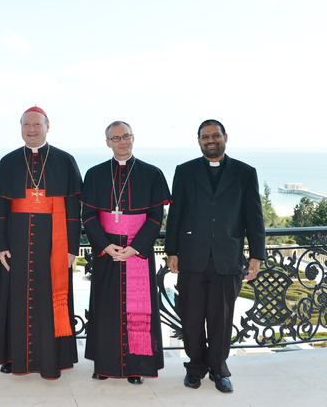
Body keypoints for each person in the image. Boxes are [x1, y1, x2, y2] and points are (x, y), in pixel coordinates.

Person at [165, 119, 265, 393]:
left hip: (228, 258)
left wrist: (257, 254)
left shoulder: (245, 172)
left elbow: (254, 216)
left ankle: (219, 370)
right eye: (205, 137)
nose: (210, 140)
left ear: (225, 137)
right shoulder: (184, 171)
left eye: (215, 135)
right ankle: (195, 367)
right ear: (199, 141)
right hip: (191, 258)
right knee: (192, 319)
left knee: (221, 319)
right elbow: (175, 215)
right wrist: (171, 251)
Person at [0, 106, 82, 379]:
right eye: (26, 124)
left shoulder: (64, 160)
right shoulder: (9, 161)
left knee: (49, 297)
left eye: (36, 124)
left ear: (47, 126)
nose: (31, 129)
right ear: (21, 128)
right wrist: (0, 244)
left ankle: (53, 358)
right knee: (15, 298)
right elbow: (1, 208)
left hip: (54, 241)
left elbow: (74, 210)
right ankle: (14, 356)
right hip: (16, 240)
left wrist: (72, 248)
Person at [81, 121, 171, 384]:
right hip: (106, 250)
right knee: (105, 308)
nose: (122, 142)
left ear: (133, 138)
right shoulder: (96, 174)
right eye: (116, 138)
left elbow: (156, 217)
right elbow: (88, 216)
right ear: (107, 142)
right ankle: (104, 364)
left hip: (137, 251)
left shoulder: (151, 173)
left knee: (138, 310)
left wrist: (135, 248)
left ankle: (136, 367)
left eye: (126, 136)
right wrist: (106, 245)